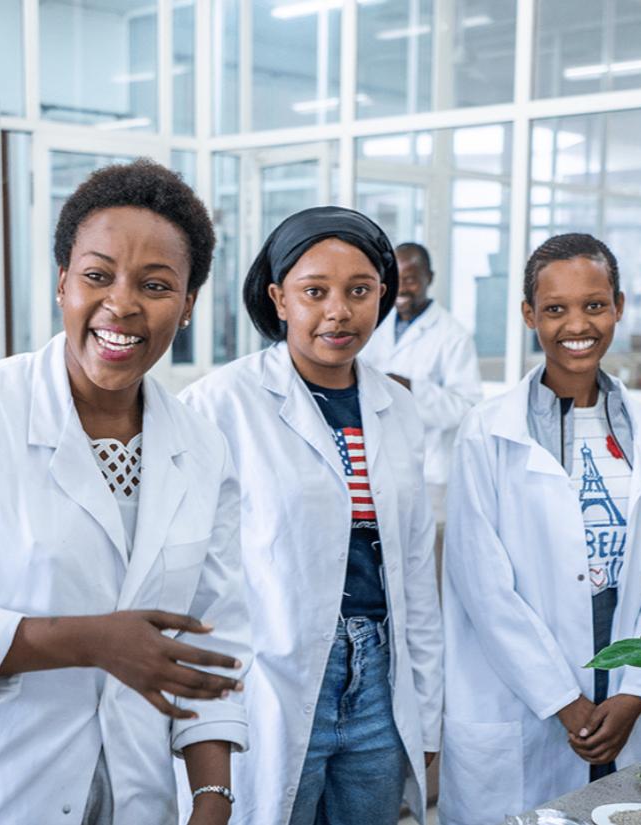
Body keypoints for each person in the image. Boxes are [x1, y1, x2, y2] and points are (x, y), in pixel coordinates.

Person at [0, 160, 250, 825]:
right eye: (97, 275)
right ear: (62, 284)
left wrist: (212, 799)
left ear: (188, 304)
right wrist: (88, 640)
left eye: (156, 285)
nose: (123, 304)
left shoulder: (201, 444)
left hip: (140, 793)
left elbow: (215, 639)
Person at [179, 207, 443, 825]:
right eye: (314, 291)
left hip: (380, 673)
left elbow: (412, 570)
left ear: (384, 294)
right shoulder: (220, 406)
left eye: (359, 291)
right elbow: (193, 574)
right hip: (273, 671)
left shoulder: (397, 408)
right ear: (278, 299)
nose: (338, 312)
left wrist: (426, 713)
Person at [437, 234, 641, 824]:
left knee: (615, 807)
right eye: (555, 309)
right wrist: (564, 701)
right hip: (524, 676)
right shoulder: (486, 432)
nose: (577, 324)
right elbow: (483, 586)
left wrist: (634, 693)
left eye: (594, 305)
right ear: (530, 315)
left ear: (619, 307)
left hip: (623, 659)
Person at [358, 242, 482, 527]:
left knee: (428, 559)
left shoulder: (453, 336)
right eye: (396, 280)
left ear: (430, 279)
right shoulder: (375, 325)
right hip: (378, 469)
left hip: (430, 474)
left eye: (411, 279)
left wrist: (411, 388)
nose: (402, 289)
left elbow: (467, 408)